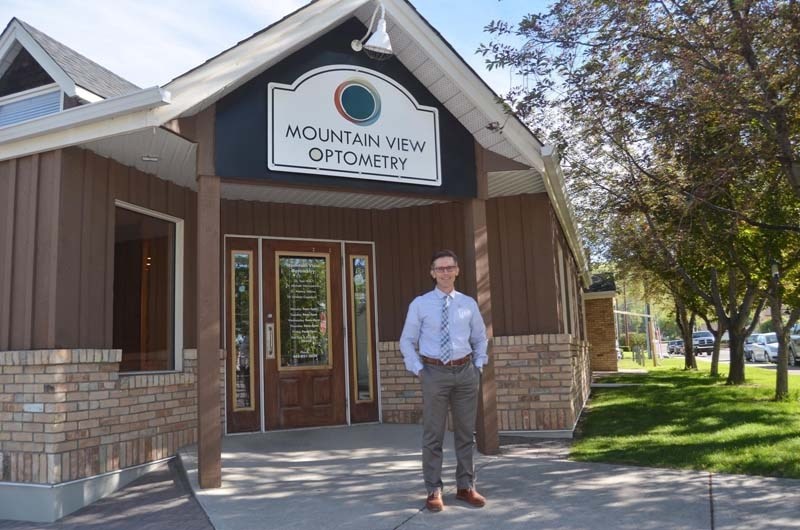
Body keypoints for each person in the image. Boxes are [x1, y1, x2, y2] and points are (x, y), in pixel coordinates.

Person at [399, 249, 488, 512]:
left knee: (464, 433)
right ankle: (433, 490)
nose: (445, 272)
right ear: (432, 273)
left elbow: (480, 337)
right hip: (433, 373)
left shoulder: (468, 304)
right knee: (433, 434)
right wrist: (418, 369)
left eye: (449, 268)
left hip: (465, 373)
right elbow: (407, 340)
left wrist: (479, 365)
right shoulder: (420, 304)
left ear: (457, 270)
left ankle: (465, 487)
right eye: (440, 269)